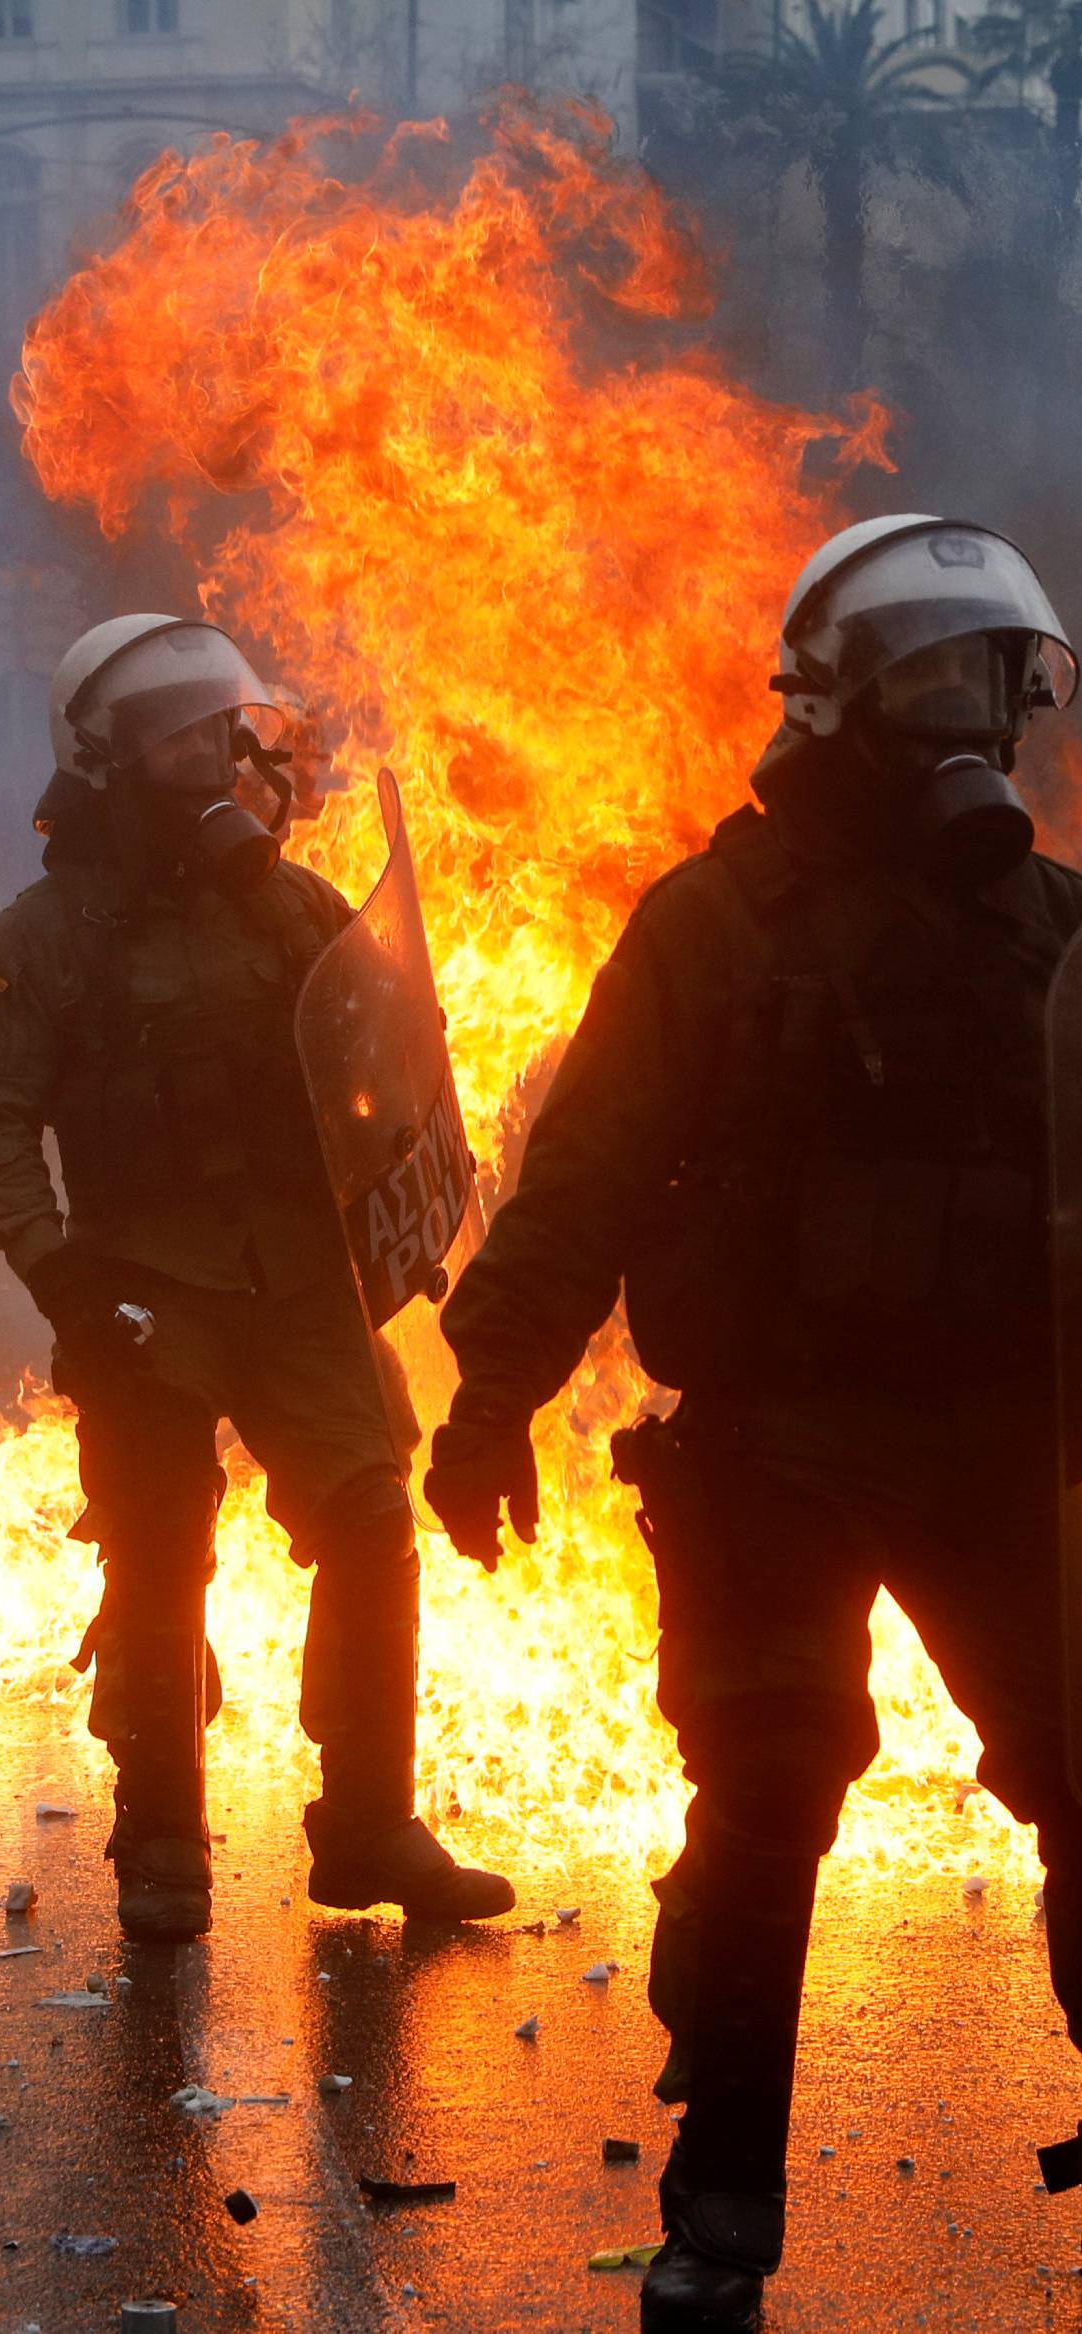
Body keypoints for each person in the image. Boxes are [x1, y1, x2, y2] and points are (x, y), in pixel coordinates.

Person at [424, 515, 1082, 2331]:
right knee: (778, 1783)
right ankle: (720, 2207)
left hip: (1000, 1444)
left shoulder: (1055, 926)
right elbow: (589, 1179)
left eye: (996, 683)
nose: (975, 721)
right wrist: (490, 1395)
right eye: (934, 683)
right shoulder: (721, 922)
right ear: (843, 699)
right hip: (777, 1444)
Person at [0, 613, 515, 1945]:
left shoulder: (290, 900)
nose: (223, 755)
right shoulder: (43, 940)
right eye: (189, 736)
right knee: (160, 1549)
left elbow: (388, 1054)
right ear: (114, 760)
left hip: (301, 1279)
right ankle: (161, 1845)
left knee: (372, 1516)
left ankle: (369, 1825)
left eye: (226, 728)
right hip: (146, 1286)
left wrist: (412, 1208)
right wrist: (59, 1274)